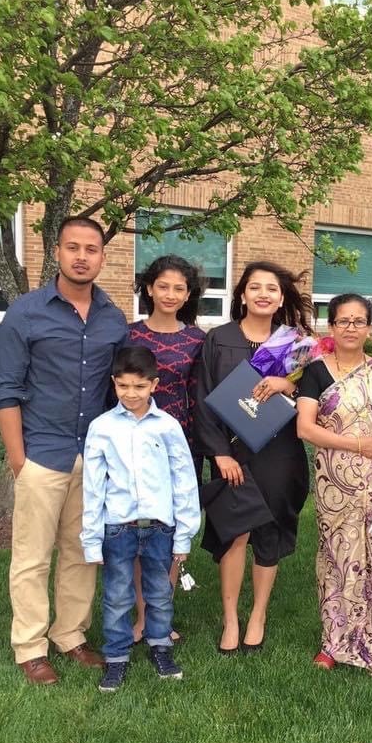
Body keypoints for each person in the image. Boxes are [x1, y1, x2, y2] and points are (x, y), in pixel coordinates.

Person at [0, 216, 127, 685]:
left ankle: (70, 635)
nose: (82, 256)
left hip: (93, 458)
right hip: (42, 455)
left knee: (81, 550)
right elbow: (7, 390)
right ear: (57, 252)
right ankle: (30, 647)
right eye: (73, 247)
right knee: (32, 556)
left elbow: (118, 394)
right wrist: (18, 460)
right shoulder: (25, 314)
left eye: (91, 249)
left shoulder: (113, 317)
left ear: (102, 257)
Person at [194, 261, 311, 654]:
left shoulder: (295, 344)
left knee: (269, 531)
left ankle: (258, 614)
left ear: (281, 298)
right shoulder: (218, 339)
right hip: (233, 451)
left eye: (272, 289)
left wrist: (288, 386)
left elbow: (318, 398)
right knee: (235, 532)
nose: (263, 294)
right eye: (255, 287)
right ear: (242, 295)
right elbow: (203, 399)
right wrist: (220, 454)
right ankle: (230, 618)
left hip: (278, 450)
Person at [296, 294, 372, 674]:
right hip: (336, 482)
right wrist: (357, 444)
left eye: (359, 321)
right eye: (343, 321)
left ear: (369, 327)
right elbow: (305, 427)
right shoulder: (315, 372)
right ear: (331, 328)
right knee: (338, 558)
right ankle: (334, 641)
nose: (351, 328)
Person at [81, 346, 200, 692]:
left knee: (160, 592)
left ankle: (160, 647)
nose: (131, 394)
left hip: (160, 526)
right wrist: (91, 539)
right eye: (123, 386)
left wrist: (184, 534)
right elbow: (93, 486)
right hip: (118, 527)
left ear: (154, 385)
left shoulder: (168, 426)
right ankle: (116, 658)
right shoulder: (102, 428)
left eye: (139, 386)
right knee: (117, 595)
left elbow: (184, 479)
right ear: (114, 384)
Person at [129, 254, 206, 645]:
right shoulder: (130, 335)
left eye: (179, 288)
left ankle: (162, 616)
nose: (171, 294)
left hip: (181, 448)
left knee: (172, 532)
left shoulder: (197, 339)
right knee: (142, 530)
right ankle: (142, 616)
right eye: (163, 286)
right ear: (148, 288)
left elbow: (205, 396)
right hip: (136, 447)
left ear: (189, 293)